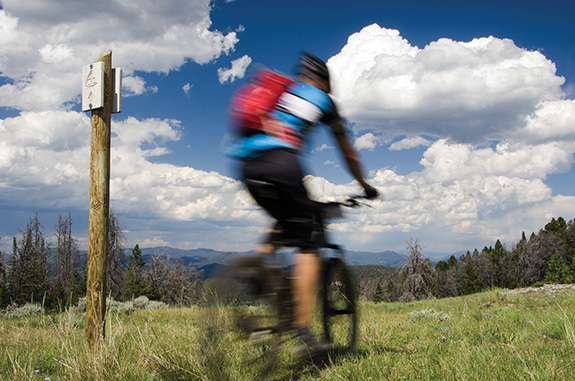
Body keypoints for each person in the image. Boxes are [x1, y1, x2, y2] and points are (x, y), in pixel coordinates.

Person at [226, 52, 378, 358]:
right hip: (282, 162)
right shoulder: (323, 100)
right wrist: (365, 186)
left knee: (287, 216)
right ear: (323, 81)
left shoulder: (282, 91)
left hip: (246, 165)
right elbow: (347, 152)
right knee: (309, 242)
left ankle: (259, 262)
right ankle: (304, 334)